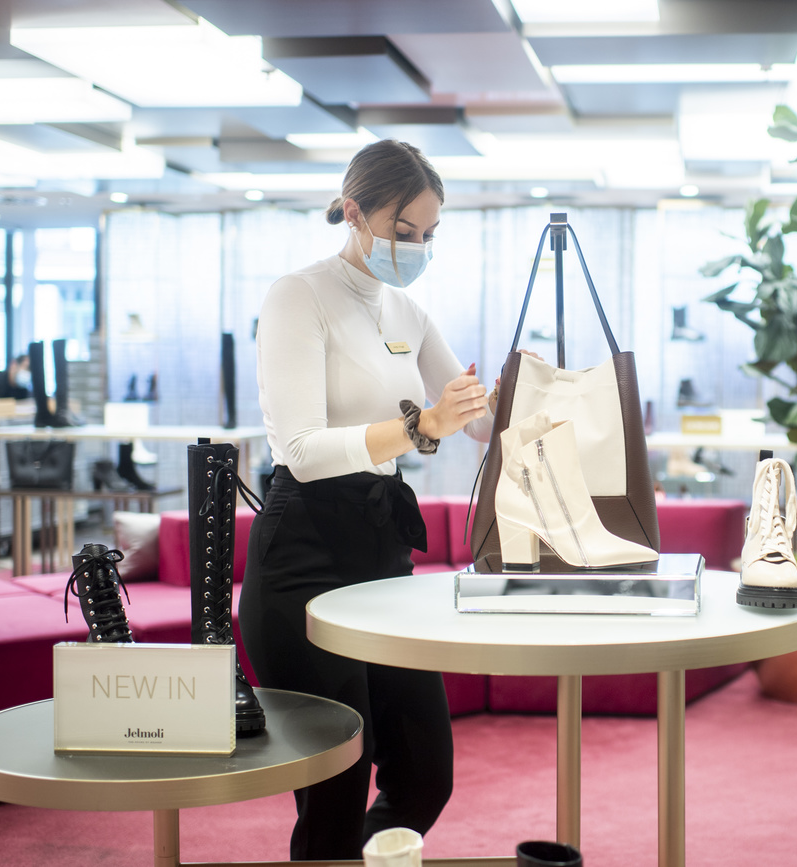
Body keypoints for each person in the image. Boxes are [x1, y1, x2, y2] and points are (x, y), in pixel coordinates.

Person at [238, 139, 495, 860]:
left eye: (430, 233)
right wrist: (419, 427)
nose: (417, 247)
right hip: (304, 554)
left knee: (425, 774)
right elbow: (301, 448)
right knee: (335, 788)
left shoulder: (407, 311)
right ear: (353, 212)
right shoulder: (299, 296)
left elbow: (474, 422)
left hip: (382, 555)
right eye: (403, 230)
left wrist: (513, 393)